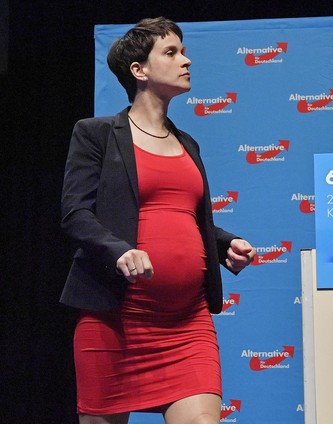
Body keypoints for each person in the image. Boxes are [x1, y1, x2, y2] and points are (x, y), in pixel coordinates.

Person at [60, 17, 256, 424]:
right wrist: (119, 251)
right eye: (172, 52)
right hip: (114, 320)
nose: (186, 60)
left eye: (183, 51)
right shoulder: (96, 134)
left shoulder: (188, 143)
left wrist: (223, 245)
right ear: (139, 71)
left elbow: (184, 217)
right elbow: (76, 213)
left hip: (187, 323)